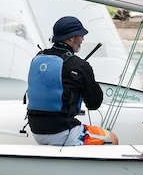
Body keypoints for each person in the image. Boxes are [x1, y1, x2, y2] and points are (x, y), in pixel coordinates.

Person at [24, 15, 115, 145]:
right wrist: (87, 80)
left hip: (36, 130)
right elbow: (94, 104)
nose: (83, 39)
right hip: (63, 132)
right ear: (71, 38)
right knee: (112, 138)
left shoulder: (38, 58)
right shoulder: (79, 65)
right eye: (81, 35)